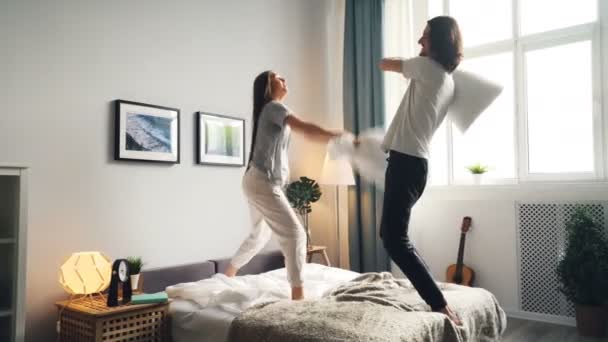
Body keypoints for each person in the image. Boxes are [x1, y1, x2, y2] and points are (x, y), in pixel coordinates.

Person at [223, 70, 343, 300]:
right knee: (296, 234)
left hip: (256, 180)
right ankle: (298, 295)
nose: (284, 80)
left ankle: (227, 276)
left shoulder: (269, 111)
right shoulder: (273, 107)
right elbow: (306, 129)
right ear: (268, 86)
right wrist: (334, 135)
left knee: (259, 236)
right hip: (262, 181)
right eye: (279, 78)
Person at [378, 16, 463, 325]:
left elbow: (384, 63)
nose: (419, 43)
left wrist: (417, 60)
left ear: (437, 42)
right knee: (391, 235)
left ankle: (438, 303)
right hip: (414, 164)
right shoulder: (447, 80)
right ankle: (437, 298)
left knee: (394, 238)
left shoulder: (427, 69)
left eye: (424, 37)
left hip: (406, 163)